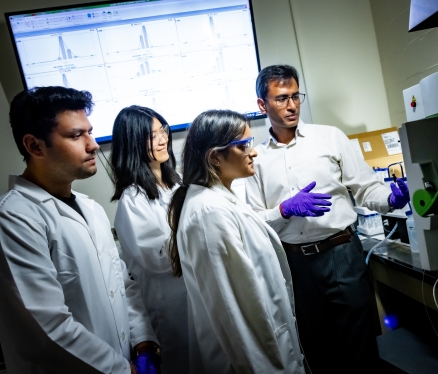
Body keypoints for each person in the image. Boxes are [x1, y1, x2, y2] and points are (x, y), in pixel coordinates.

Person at [245, 65, 410, 373]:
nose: (292, 105)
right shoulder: (255, 158)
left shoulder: (329, 137)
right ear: (262, 104)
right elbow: (253, 221)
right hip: (295, 264)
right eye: (281, 99)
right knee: (317, 350)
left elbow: (365, 188)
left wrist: (391, 199)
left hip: (342, 253)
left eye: (295, 96)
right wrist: (284, 209)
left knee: (360, 349)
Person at [0, 87, 160, 374]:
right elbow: (46, 329)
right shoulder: (13, 219)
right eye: (76, 136)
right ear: (35, 146)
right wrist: (122, 370)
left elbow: (123, 286)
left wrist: (144, 341)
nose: (94, 145)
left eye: (90, 131)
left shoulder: (91, 209)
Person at [167, 109, 306, 373]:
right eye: (243, 146)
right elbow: (236, 315)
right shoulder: (210, 213)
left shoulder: (220, 201)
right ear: (215, 157)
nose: (253, 152)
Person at [110, 105, 189, 373]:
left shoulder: (177, 183)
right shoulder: (132, 199)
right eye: (152, 135)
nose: (163, 138)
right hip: (170, 310)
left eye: (162, 130)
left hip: (194, 298)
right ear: (133, 144)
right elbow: (159, 260)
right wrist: (198, 237)